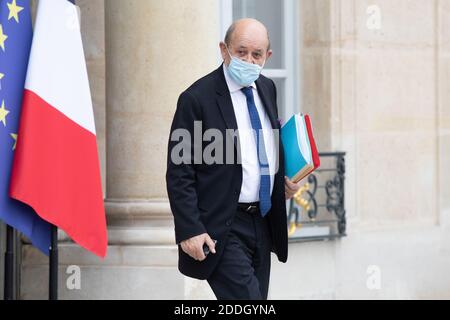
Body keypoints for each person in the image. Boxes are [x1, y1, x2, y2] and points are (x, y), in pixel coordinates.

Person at [166, 18, 302, 300]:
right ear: (223, 50)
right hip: (223, 228)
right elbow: (179, 170)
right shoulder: (196, 99)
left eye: (256, 54)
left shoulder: (267, 88)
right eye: (241, 52)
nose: (248, 60)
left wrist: (281, 183)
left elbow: (262, 149)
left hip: (263, 222)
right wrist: (189, 229)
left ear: (268, 56)